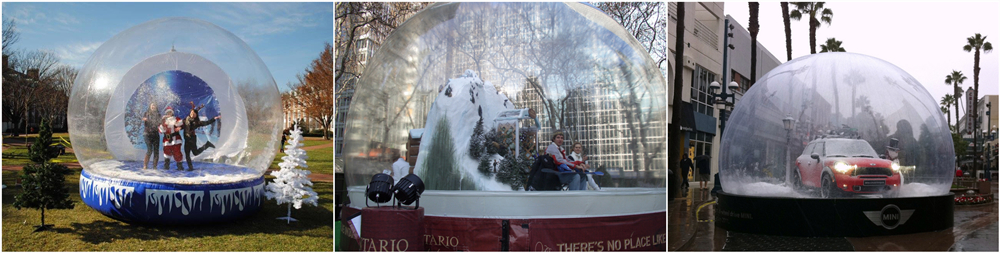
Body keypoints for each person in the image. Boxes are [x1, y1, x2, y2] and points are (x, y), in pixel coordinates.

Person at [181, 102, 220, 171]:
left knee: (195, 153)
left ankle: (207, 145)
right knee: (187, 154)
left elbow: (206, 122)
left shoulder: (197, 122)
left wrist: (214, 118)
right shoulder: (186, 119)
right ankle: (190, 167)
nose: (192, 114)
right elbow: (183, 126)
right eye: (191, 113)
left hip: (192, 139)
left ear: (196, 115)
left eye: (194, 114)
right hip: (186, 139)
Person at [158, 106, 185, 171]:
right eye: (168, 112)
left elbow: (182, 124)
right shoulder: (164, 121)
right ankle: (166, 165)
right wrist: (162, 121)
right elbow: (161, 130)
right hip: (167, 140)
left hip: (176, 139)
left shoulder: (176, 119)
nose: (169, 114)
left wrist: (180, 127)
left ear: (172, 113)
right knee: (167, 152)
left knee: (177, 152)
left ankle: (180, 166)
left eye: (170, 112)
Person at [141, 102, 161, 170]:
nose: (153, 106)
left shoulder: (158, 115)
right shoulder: (146, 113)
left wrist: (162, 120)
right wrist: (145, 119)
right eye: (152, 105)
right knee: (149, 150)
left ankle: (154, 166)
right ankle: (145, 165)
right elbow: (144, 119)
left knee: (156, 151)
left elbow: (159, 123)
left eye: (154, 105)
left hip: (155, 134)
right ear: (150, 106)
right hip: (147, 134)